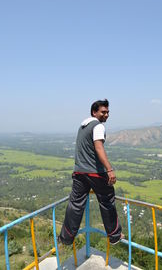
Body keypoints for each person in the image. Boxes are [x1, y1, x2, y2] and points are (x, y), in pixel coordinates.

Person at [58, 99, 123, 245]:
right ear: (94, 112)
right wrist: (109, 169)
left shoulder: (82, 126)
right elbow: (99, 148)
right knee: (107, 200)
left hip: (79, 172)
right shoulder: (97, 126)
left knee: (75, 204)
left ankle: (66, 238)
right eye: (103, 112)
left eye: (108, 112)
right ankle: (114, 235)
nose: (106, 115)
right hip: (95, 172)